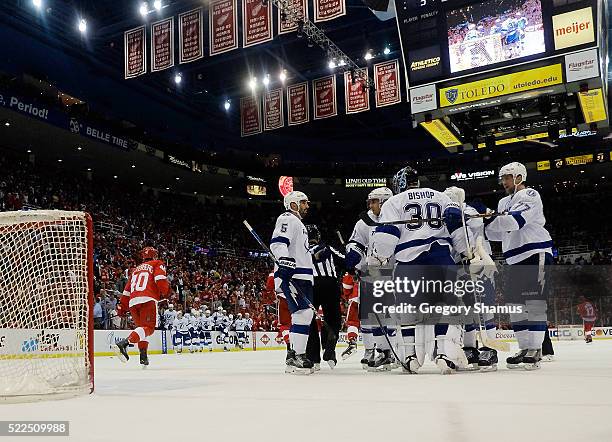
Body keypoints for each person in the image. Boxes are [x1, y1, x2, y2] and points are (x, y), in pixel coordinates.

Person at [369, 166, 469, 375]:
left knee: (407, 311)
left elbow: (388, 235)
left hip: (410, 261)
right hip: (442, 259)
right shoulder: (441, 196)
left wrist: (378, 258)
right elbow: (455, 223)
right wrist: (465, 252)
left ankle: (410, 357)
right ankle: (442, 353)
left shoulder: (394, 202)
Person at [481, 161, 553, 370]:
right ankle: (524, 348)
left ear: (519, 177)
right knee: (516, 304)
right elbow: (495, 232)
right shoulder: (504, 202)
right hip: (514, 259)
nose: (504, 181)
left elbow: (515, 221)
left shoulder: (529, 195)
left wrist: (490, 215)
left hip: (534, 252)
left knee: (535, 301)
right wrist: (485, 220)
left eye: (507, 177)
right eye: (502, 178)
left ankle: (536, 349)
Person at [444, 187, 499, 372]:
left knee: (484, 308)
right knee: (467, 310)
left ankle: (489, 349)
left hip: (480, 263)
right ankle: (470, 349)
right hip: (461, 267)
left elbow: (473, 229)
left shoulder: (469, 211)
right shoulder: (446, 215)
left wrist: (461, 218)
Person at [342, 187, 394, 370]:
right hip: (372, 272)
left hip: (395, 272)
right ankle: (376, 350)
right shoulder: (365, 221)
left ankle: (395, 351)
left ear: (384, 201)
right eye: (370, 201)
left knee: (392, 315)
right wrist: (353, 254)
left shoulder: (399, 217)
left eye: (374, 201)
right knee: (370, 316)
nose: (370, 205)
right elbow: (355, 242)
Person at [270, 190, 315, 374]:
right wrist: (284, 261)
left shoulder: (298, 223)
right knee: (302, 314)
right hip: (294, 275)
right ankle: (297, 355)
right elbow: (278, 243)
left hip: (302, 275)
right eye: (304, 202)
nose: (307, 206)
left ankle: (294, 356)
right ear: (294, 204)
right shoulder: (287, 217)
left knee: (305, 315)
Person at [116, 246, 171, 367]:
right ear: (155, 255)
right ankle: (125, 343)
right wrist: (167, 293)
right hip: (148, 298)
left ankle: (143, 356)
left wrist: (122, 307)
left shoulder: (135, 270)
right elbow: (160, 279)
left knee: (142, 329)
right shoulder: (157, 263)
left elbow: (127, 290)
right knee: (149, 328)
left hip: (133, 301)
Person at [305, 224, 343, 370]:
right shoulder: (328, 248)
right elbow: (346, 261)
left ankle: (313, 358)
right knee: (333, 318)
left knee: (309, 322)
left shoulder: (302, 251)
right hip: (330, 285)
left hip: (311, 286)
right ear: (318, 236)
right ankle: (329, 349)